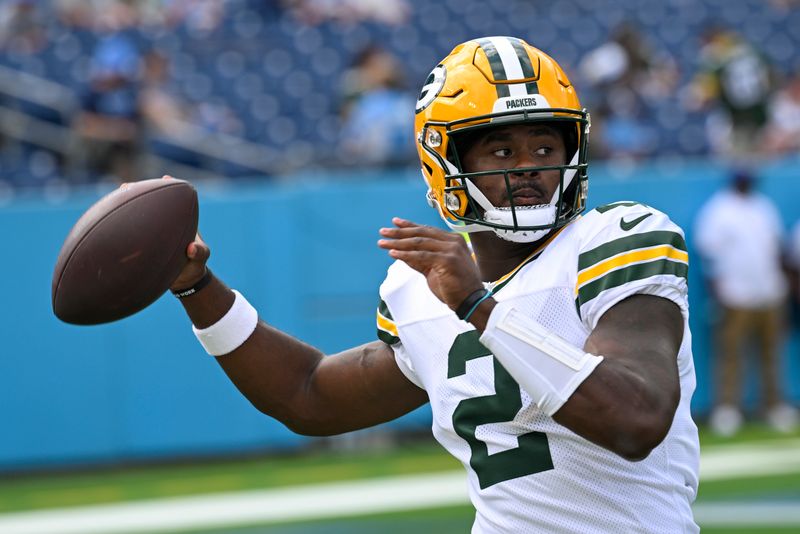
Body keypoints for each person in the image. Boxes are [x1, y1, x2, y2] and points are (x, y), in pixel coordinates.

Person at [168, 37, 699, 532]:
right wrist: (199, 288)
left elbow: (636, 420)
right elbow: (309, 396)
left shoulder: (618, 237)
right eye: (500, 152)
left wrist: (478, 306)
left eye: (544, 148)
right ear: (442, 161)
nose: (529, 169)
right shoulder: (418, 287)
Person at [694, 171, 797, 435]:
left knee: (771, 352)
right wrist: (717, 294)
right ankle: (728, 408)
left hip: (770, 292)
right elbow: (709, 255)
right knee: (730, 353)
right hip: (735, 294)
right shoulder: (718, 211)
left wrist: (782, 287)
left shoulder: (763, 206)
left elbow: (776, 248)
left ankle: (773, 405)